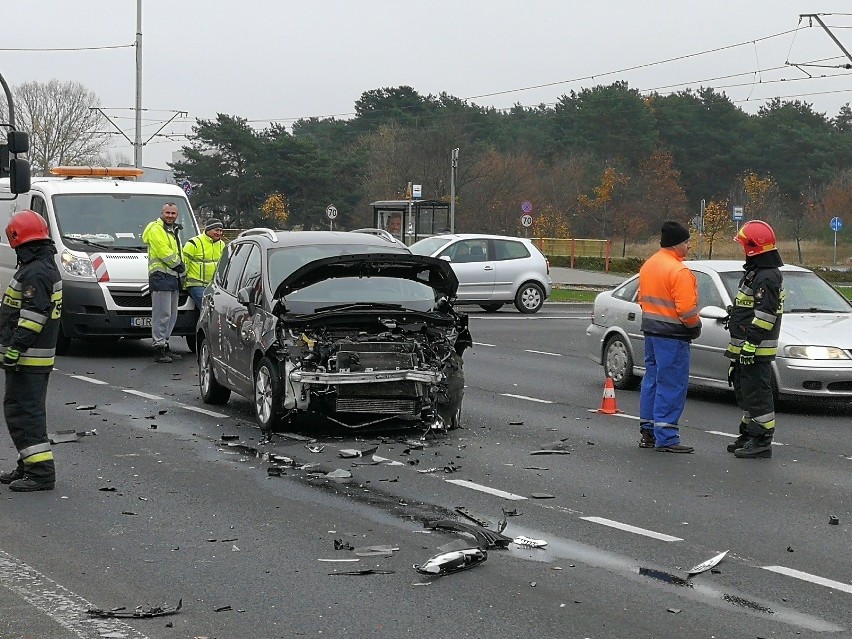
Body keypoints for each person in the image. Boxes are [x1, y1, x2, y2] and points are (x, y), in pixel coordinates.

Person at [0, 210, 63, 492]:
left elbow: (34, 315)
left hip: (29, 357)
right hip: (33, 356)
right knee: (22, 410)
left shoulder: (36, 272)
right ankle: (27, 465)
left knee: (25, 413)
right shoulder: (40, 266)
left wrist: (15, 346)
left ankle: (40, 473)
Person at [637, 220, 701, 453]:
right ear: (675, 245)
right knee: (672, 384)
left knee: (652, 380)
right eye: (686, 242)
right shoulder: (679, 270)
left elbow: (642, 299)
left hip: (652, 332)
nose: (689, 247)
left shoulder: (650, 265)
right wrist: (695, 326)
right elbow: (687, 310)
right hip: (673, 335)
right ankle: (667, 437)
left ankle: (648, 432)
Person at [725, 220, 784, 459]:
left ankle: (761, 440)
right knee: (746, 391)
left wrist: (750, 346)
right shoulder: (756, 273)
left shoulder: (767, 277)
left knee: (758, 394)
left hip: (755, 349)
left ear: (753, 248)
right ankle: (749, 433)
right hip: (744, 347)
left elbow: (765, 317)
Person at [142, 203, 186, 364]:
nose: (170, 215)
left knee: (172, 314)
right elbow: (163, 252)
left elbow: (178, 251)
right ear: (162, 213)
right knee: (162, 314)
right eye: (167, 212)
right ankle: (159, 347)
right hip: (160, 276)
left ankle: (165, 344)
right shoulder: (156, 229)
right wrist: (179, 265)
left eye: (173, 213)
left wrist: (181, 270)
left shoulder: (173, 230)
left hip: (172, 277)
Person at [183, 219, 225, 310]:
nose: (219, 233)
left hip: (214, 286)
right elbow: (184, 263)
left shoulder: (222, 245)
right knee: (208, 308)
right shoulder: (194, 242)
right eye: (216, 230)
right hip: (196, 284)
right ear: (208, 230)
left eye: (221, 230)